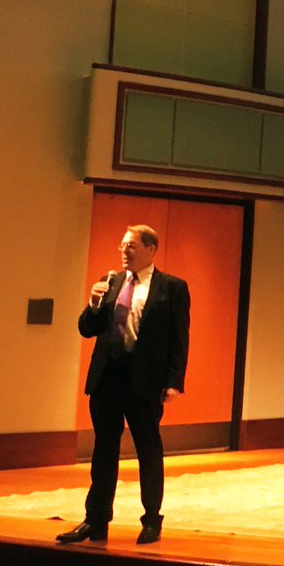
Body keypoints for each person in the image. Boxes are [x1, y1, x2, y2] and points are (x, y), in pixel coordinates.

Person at [56, 224, 190, 546]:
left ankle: (151, 520)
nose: (124, 251)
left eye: (131, 246)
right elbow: (86, 329)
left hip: (144, 381)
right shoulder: (111, 281)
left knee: (148, 448)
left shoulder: (171, 288)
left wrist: (174, 381)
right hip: (108, 378)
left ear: (151, 249)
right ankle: (96, 520)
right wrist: (93, 304)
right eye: (122, 245)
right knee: (104, 449)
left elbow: (179, 339)